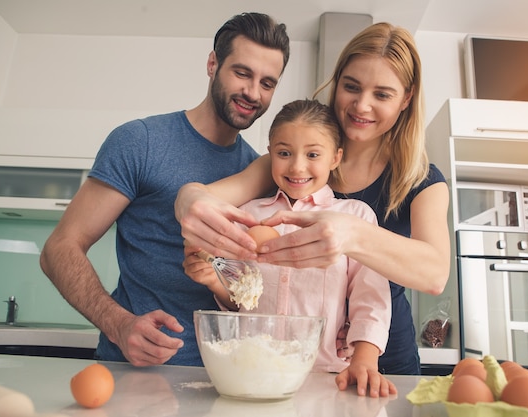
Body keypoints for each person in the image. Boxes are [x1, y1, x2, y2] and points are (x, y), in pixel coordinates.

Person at [175, 21, 450, 387]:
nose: (361, 105)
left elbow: (433, 275)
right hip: (289, 360)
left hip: (379, 358)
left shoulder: (421, 180)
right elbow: (203, 202)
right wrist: (188, 198)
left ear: (406, 99)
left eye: (382, 94)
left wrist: (350, 235)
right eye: (351, 87)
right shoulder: (296, 161)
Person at [39, 12, 290, 367]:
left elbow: (248, 287)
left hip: (225, 375)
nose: (253, 92)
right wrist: (119, 324)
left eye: (268, 83)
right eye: (242, 73)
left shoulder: (260, 173)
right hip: (132, 369)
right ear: (212, 63)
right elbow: (59, 248)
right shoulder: (140, 141)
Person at [186, 99, 396, 396]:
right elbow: (242, 298)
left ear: (335, 158)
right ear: (270, 153)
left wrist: (364, 359)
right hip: (254, 372)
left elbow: (370, 296)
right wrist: (213, 280)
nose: (297, 166)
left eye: (313, 154)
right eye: (284, 153)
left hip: (325, 377)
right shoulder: (248, 215)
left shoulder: (355, 217)